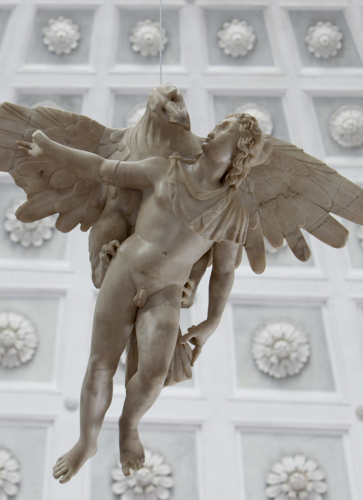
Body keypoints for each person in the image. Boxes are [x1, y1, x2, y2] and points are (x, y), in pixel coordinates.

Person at [17, 113, 267, 482]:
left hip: (165, 293)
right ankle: (87, 442)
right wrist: (50, 149)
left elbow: (224, 272)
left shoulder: (233, 213)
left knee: (154, 374)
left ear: (239, 151)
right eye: (220, 124)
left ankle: (129, 425)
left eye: (227, 129)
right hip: (125, 271)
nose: (215, 128)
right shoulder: (165, 170)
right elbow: (102, 169)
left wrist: (212, 321)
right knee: (101, 363)